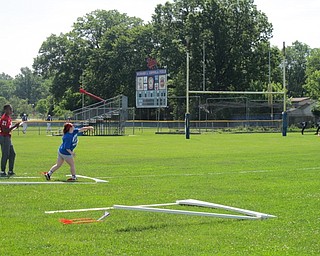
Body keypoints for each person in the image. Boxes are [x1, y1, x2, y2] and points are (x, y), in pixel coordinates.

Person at [0, 105, 22, 177]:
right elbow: (5, 130)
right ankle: (2, 171)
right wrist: (15, 126)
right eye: (10, 109)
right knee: (5, 154)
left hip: (8, 137)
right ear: (6, 110)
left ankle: (10, 171)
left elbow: (9, 129)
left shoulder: (9, 118)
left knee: (12, 154)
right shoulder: (4, 118)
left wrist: (16, 126)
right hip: (4, 137)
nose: (11, 110)